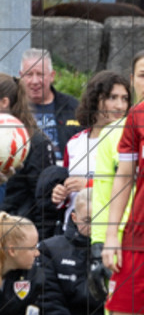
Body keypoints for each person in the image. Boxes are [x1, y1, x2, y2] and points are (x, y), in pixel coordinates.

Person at [82, 64, 144, 315]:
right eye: (142, 74)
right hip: (137, 243)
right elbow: (125, 176)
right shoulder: (137, 118)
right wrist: (110, 237)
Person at [40, 71, 131, 238]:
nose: (120, 106)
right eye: (112, 97)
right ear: (95, 99)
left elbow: (131, 188)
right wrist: (61, 195)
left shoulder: (129, 141)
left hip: (109, 234)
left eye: (125, 99)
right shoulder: (75, 142)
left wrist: (88, 185)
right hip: (72, 233)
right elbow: (69, 189)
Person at [0, 72, 55, 236]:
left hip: (16, 234)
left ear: (4, 102)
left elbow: (42, 199)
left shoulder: (35, 142)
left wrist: (38, 244)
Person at [18, 49, 81, 162]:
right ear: (21, 76)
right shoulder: (12, 110)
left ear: (52, 76)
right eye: (29, 75)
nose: (35, 81)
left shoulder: (73, 107)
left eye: (40, 74)